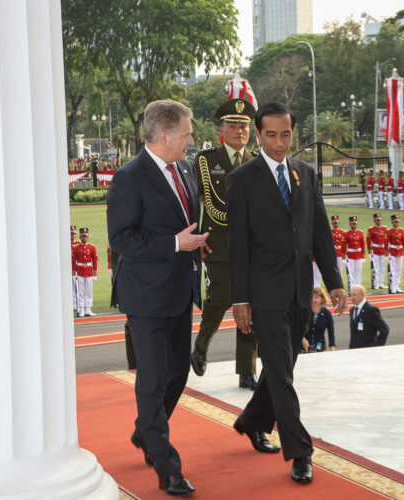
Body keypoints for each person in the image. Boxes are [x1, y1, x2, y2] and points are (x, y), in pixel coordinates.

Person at [226, 102, 346, 485]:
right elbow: (237, 246)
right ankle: (300, 451)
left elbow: (320, 233)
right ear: (258, 135)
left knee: (283, 369)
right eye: (272, 135)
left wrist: (335, 281)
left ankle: (251, 419)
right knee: (279, 372)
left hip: (299, 292)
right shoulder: (243, 179)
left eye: (286, 134)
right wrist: (240, 299)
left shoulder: (305, 174)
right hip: (262, 296)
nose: (280, 143)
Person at [106, 99, 206, 497]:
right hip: (145, 295)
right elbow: (121, 238)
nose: (191, 140)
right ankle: (167, 468)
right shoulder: (129, 177)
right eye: (186, 133)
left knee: (178, 373)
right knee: (152, 380)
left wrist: (194, 245)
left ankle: (144, 431)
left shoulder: (183, 168)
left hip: (180, 290)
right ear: (163, 136)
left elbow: (184, 224)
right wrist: (175, 244)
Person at [190, 98, 259, 391]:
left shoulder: (257, 160)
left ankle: (246, 370)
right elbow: (195, 203)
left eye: (243, 126)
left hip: (252, 247)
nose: (239, 131)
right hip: (217, 243)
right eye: (233, 125)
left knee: (250, 307)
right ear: (222, 129)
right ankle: (201, 346)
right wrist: (195, 240)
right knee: (219, 302)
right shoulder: (207, 160)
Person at [73, 228, 98, 317]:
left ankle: (88, 308)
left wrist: (95, 273)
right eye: (83, 236)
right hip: (79, 271)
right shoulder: (76, 248)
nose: (85, 238)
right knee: (80, 291)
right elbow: (73, 261)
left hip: (88, 272)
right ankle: (81, 309)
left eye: (86, 236)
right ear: (80, 237)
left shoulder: (92, 247)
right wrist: (74, 273)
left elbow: (94, 260)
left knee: (89, 291)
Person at [301, 287, 336, 353]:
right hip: (303, 349)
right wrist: (302, 339)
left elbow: (331, 334)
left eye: (316, 297)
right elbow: (297, 328)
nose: (313, 300)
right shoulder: (304, 312)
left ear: (322, 299)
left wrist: (333, 351)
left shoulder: (327, 313)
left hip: (320, 349)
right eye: (312, 297)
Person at [366, 214, 389, 290]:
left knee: (382, 268)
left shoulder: (385, 229)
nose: (378, 221)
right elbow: (368, 241)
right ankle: (376, 283)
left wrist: (387, 251)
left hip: (382, 250)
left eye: (379, 220)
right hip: (375, 250)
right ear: (374, 221)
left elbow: (387, 241)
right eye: (377, 220)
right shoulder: (371, 230)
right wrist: (369, 252)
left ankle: (381, 282)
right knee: (376, 268)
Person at [386, 214, 404, 294]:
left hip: (400, 252)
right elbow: (386, 243)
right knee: (393, 270)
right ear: (392, 222)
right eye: (395, 222)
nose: (396, 223)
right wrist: (387, 254)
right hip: (393, 252)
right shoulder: (389, 231)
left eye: (397, 222)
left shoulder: (401, 231)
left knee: (399, 270)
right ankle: (393, 286)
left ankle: (397, 285)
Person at [344, 216, 365, 287]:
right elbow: (344, 246)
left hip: (358, 255)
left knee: (358, 272)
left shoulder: (360, 233)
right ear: (350, 224)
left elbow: (362, 245)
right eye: (353, 223)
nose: (354, 225)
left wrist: (363, 256)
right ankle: (352, 287)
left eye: (355, 223)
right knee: (351, 272)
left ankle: (358, 286)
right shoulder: (347, 234)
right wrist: (344, 257)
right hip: (350, 256)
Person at [71, 225, 80, 314]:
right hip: (68, 269)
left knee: (76, 288)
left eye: (74, 234)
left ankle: (76, 305)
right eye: (71, 234)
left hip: (76, 269)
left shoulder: (78, 244)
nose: (72, 235)